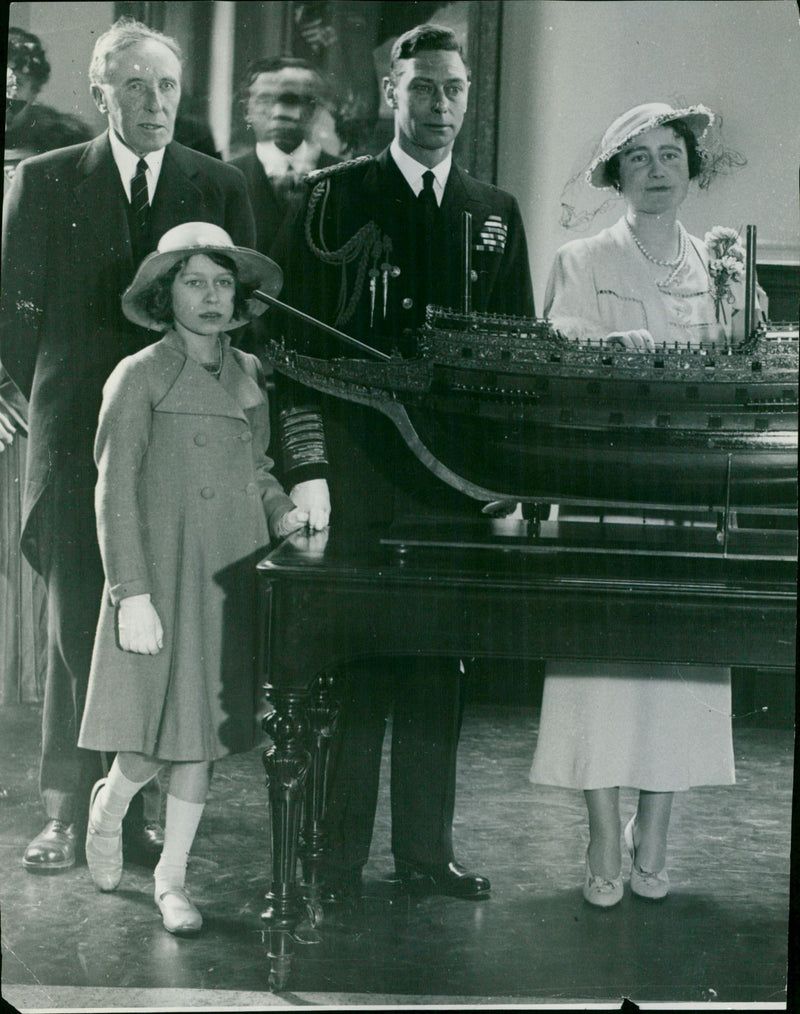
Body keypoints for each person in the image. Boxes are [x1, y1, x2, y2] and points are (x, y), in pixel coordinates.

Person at [274, 24, 534, 901]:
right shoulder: (330, 198)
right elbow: (288, 350)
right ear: (391, 93)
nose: (439, 105)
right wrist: (306, 469)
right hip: (353, 482)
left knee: (435, 679)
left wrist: (505, 481)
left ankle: (426, 855)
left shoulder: (493, 212)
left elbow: (515, 362)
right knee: (351, 682)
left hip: (452, 490)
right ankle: (336, 862)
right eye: (422, 88)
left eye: (453, 89)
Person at [0, 16, 256, 875]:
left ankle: (134, 810)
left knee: (165, 634)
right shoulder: (44, 181)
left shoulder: (216, 184)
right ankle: (67, 815)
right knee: (82, 627)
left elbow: (243, 317)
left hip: (184, 446)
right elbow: (13, 313)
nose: (155, 103)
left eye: (169, 87)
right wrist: (21, 395)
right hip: (76, 440)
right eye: (137, 86)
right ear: (102, 92)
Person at [531, 102, 749, 907]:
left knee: (679, 665)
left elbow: (743, 362)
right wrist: (604, 351)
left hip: (693, 495)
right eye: (639, 158)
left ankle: (654, 830)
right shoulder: (581, 259)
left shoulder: (723, 264)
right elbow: (555, 361)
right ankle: (599, 828)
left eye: (670, 156)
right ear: (615, 174)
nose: (657, 171)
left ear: (692, 170)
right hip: (606, 490)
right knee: (599, 661)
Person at [77, 222, 311, 934]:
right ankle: (111, 805)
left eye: (222, 284)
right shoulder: (139, 374)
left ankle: (172, 880)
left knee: (202, 735)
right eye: (193, 282)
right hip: (160, 573)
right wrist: (130, 594)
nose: (211, 298)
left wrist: (284, 511)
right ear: (163, 292)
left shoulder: (249, 375)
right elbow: (112, 492)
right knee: (148, 742)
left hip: (227, 576)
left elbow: (258, 468)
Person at [229, 57, 339, 259]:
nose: (279, 113)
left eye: (293, 101)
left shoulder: (347, 177)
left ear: (312, 110)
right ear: (247, 111)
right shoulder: (223, 179)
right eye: (265, 99)